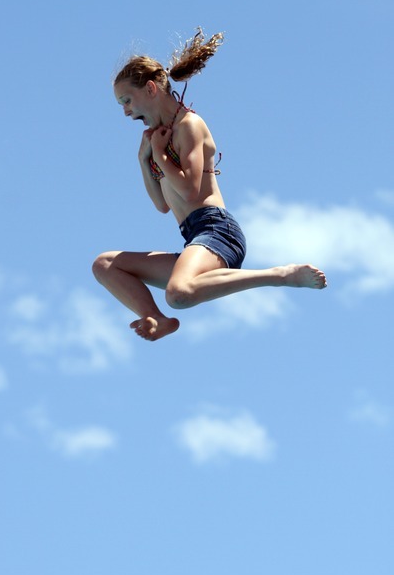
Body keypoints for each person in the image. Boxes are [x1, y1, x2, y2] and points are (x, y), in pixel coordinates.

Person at [93, 28, 327, 341]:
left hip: (217, 231)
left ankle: (281, 275)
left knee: (179, 293)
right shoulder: (156, 140)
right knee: (105, 264)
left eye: (126, 100)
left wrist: (161, 156)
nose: (125, 111)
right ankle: (156, 319)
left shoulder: (189, 125)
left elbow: (190, 191)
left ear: (150, 89)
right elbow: (162, 205)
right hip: (193, 237)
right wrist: (143, 159)